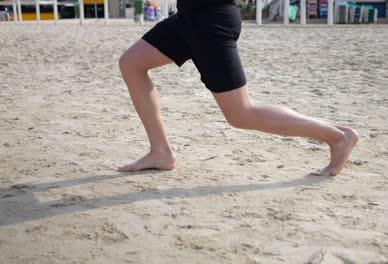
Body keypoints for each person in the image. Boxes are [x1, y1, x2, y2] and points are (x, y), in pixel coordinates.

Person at [118, 0, 359, 176]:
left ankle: (338, 137)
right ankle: (160, 152)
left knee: (241, 114)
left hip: (211, 21)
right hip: (187, 18)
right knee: (132, 63)